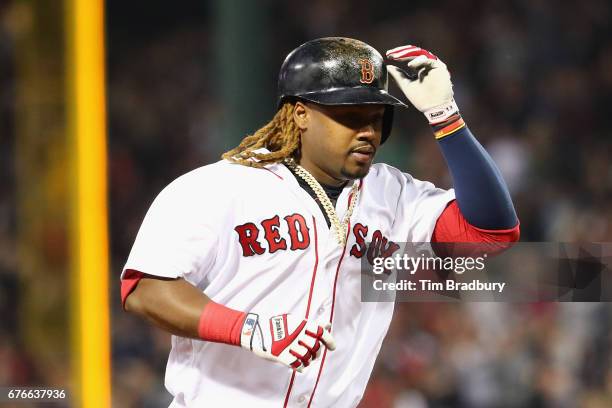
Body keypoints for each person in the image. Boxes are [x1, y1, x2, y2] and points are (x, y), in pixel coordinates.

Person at [120, 37, 520, 407]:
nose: (367, 131)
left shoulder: (395, 195)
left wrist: (445, 117)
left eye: (376, 117)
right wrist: (247, 327)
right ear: (299, 114)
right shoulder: (219, 187)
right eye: (349, 115)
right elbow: (143, 288)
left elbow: (491, 233)